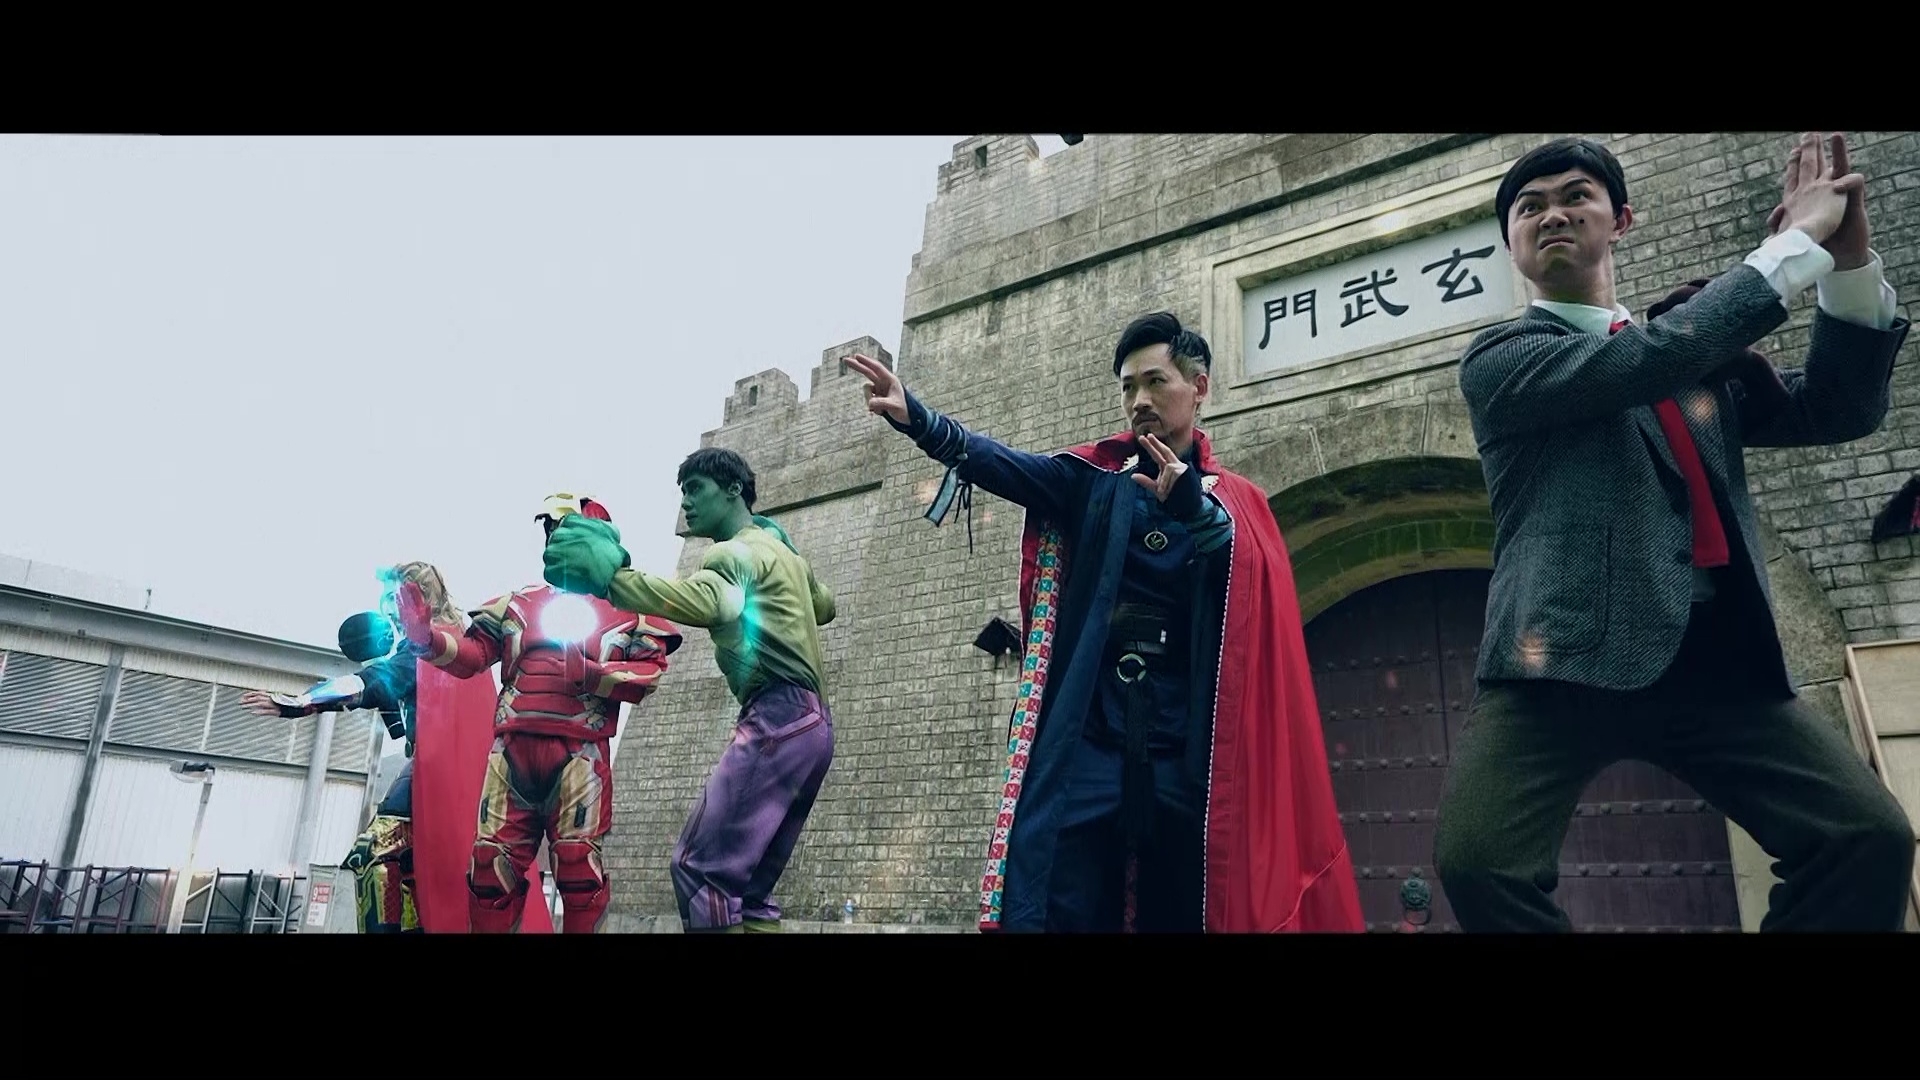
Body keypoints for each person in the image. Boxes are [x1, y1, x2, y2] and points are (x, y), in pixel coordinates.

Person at [1435, 132, 1915, 932]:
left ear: (1621, 220)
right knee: (1478, 861)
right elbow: (1647, 361)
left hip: (1715, 658)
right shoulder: (1505, 358)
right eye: (1530, 207)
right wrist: (1794, 247)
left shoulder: (1696, 361)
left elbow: (1839, 410)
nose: (1552, 214)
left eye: (1575, 196)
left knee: (1866, 837)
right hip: (1559, 661)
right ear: (1511, 243)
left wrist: (1847, 266)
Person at [840, 317, 1362, 933]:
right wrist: (919, 420)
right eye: (1128, 386)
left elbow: (1247, 586)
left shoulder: (1235, 502)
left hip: (1186, 745)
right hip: (1093, 732)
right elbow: (1004, 466)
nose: (1139, 399)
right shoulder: (1091, 481)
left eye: (1155, 381)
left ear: (1198, 387)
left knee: (1188, 902)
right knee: (1059, 888)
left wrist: (1195, 510)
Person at [540, 450, 837, 934]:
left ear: (734, 489)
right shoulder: (776, 551)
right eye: (683, 493)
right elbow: (825, 605)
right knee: (749, 893)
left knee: (702, 872)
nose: (686, 504)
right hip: (813, 730)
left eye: (696, 489)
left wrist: (615, 579)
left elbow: (714, 603)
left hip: (777, 719)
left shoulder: (734, 553)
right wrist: (789, 559)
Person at [394, 494, 683, 933]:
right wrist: (426, 640)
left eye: (563, 526)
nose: (554, 535)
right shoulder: (519, 603)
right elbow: (473, 655)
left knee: (579, 870)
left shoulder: (627, 609)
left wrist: (593, 675)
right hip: (512, 752)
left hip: (580, 755)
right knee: (490, 872)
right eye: (550, 528)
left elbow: (649, 672)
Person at [242, 562, 503, 933]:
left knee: (374, 854)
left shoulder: (428, 648)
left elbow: (374, 682)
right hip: (465, 777)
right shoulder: (459, 644)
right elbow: (387, 688)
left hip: (440, 773)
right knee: (412, 866)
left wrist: (300, 702)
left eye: (396, 599)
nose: (389, 610)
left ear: (418, 600)